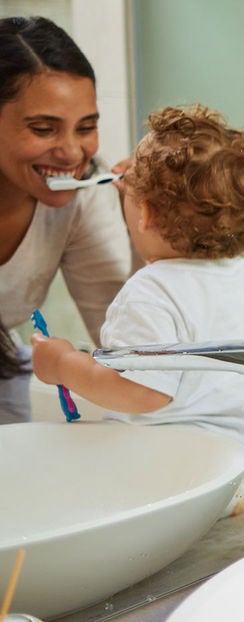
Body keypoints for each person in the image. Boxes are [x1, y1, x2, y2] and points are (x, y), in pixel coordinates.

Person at [31, 104, 244, 515]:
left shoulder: (150, 291)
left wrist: (64, 365)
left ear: (145, 213)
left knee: (56, 483)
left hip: (178, 474)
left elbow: (144, 392)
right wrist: (137, 197)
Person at [0, 16, 132, 423]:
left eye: (87, 127)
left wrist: (152, 227)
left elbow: (129, 348)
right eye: (44, 129)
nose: (74, 153)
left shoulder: (84, 194)